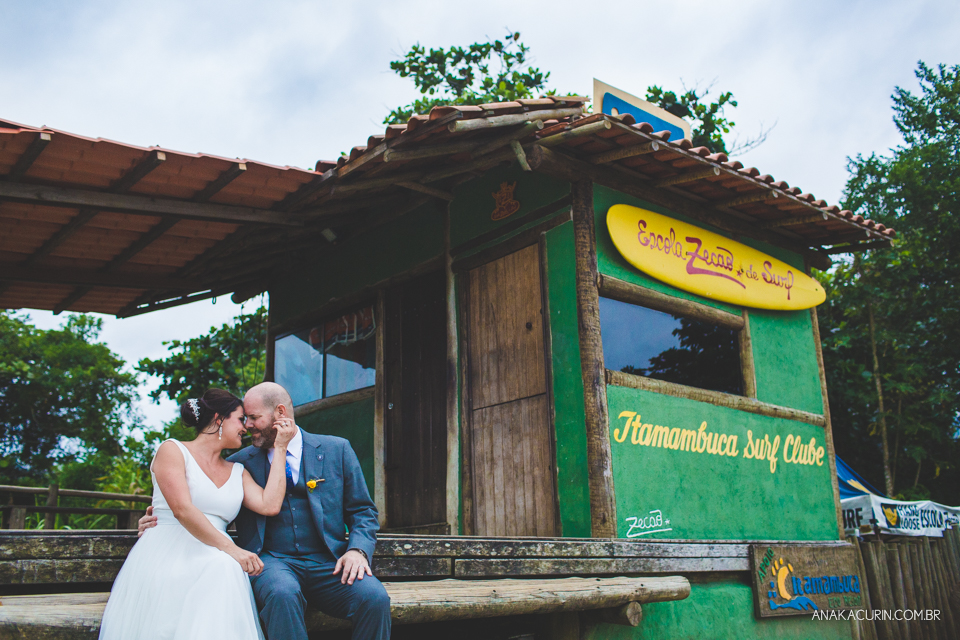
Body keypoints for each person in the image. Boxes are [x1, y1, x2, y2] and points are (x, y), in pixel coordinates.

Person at [139, 382, 391, 640]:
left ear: (280, 413)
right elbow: (203, 500)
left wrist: (357, 551)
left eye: (254, 417)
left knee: (374, 598)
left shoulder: (336, 450)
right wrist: (160, 516)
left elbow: (363, 511)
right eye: (244, 418)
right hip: (270, 562)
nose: (247, 425)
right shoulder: (239, 462)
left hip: (329, 562)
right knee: (282, 594)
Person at [99, 388, 296, 640]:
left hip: (215, 556)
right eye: (239, 419)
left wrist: (281, 448)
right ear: (218, 419)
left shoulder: (238, 470)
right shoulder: (173, 451)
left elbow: (270, 505)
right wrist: (233, 550)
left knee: (223, 567)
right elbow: (182, 509)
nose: (245, 427)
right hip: (170, 552)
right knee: (224, 565)